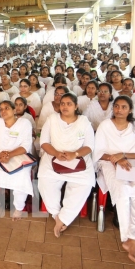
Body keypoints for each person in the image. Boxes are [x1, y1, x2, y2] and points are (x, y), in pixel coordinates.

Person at [93, 95, 135, 264]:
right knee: (123, 192)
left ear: (130, 110)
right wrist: (115, 158)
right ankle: (129, 239)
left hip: (133, 162)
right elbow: (98, 152)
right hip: (108, 162)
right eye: (116, 106)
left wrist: (123, 156)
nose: (119, 110)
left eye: (124, 107)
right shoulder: (105, 125)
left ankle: (133, 239)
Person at [38, 93, 95, 237]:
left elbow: (89, 146)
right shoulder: (52, 119)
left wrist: (74, 154)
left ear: (76, 106)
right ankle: (57, 215)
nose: (65, 106)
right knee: (45, 180)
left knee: (84, 184)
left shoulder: (84, 121)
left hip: (78, 159)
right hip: (53, 157)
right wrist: (56, 154)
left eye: (69, 104)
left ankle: (64, 218)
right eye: (62, 103)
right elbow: (44, 142)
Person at [0, 100, 34, 219]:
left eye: (7, 108)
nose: (3, 111)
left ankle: (18, 208)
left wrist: (9, 155)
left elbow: (25, 146)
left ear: (14, 110)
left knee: (22, 176)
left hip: (17, 157)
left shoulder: (24, 123)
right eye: (1, 109)